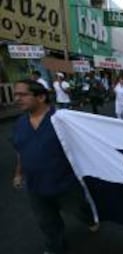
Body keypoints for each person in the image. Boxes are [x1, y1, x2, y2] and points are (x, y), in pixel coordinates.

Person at [11, 79, 97, 254]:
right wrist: (18, 173)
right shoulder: (20, 124)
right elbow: (20, 150)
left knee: (80, 210)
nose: (17, 99)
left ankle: (89, 219)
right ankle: (55, 248)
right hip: (35, 186)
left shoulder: (62, 120)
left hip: (65, 184)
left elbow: (85, 147)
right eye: (16, 95)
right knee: (47, 222)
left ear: (41, 97)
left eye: (23, 95)